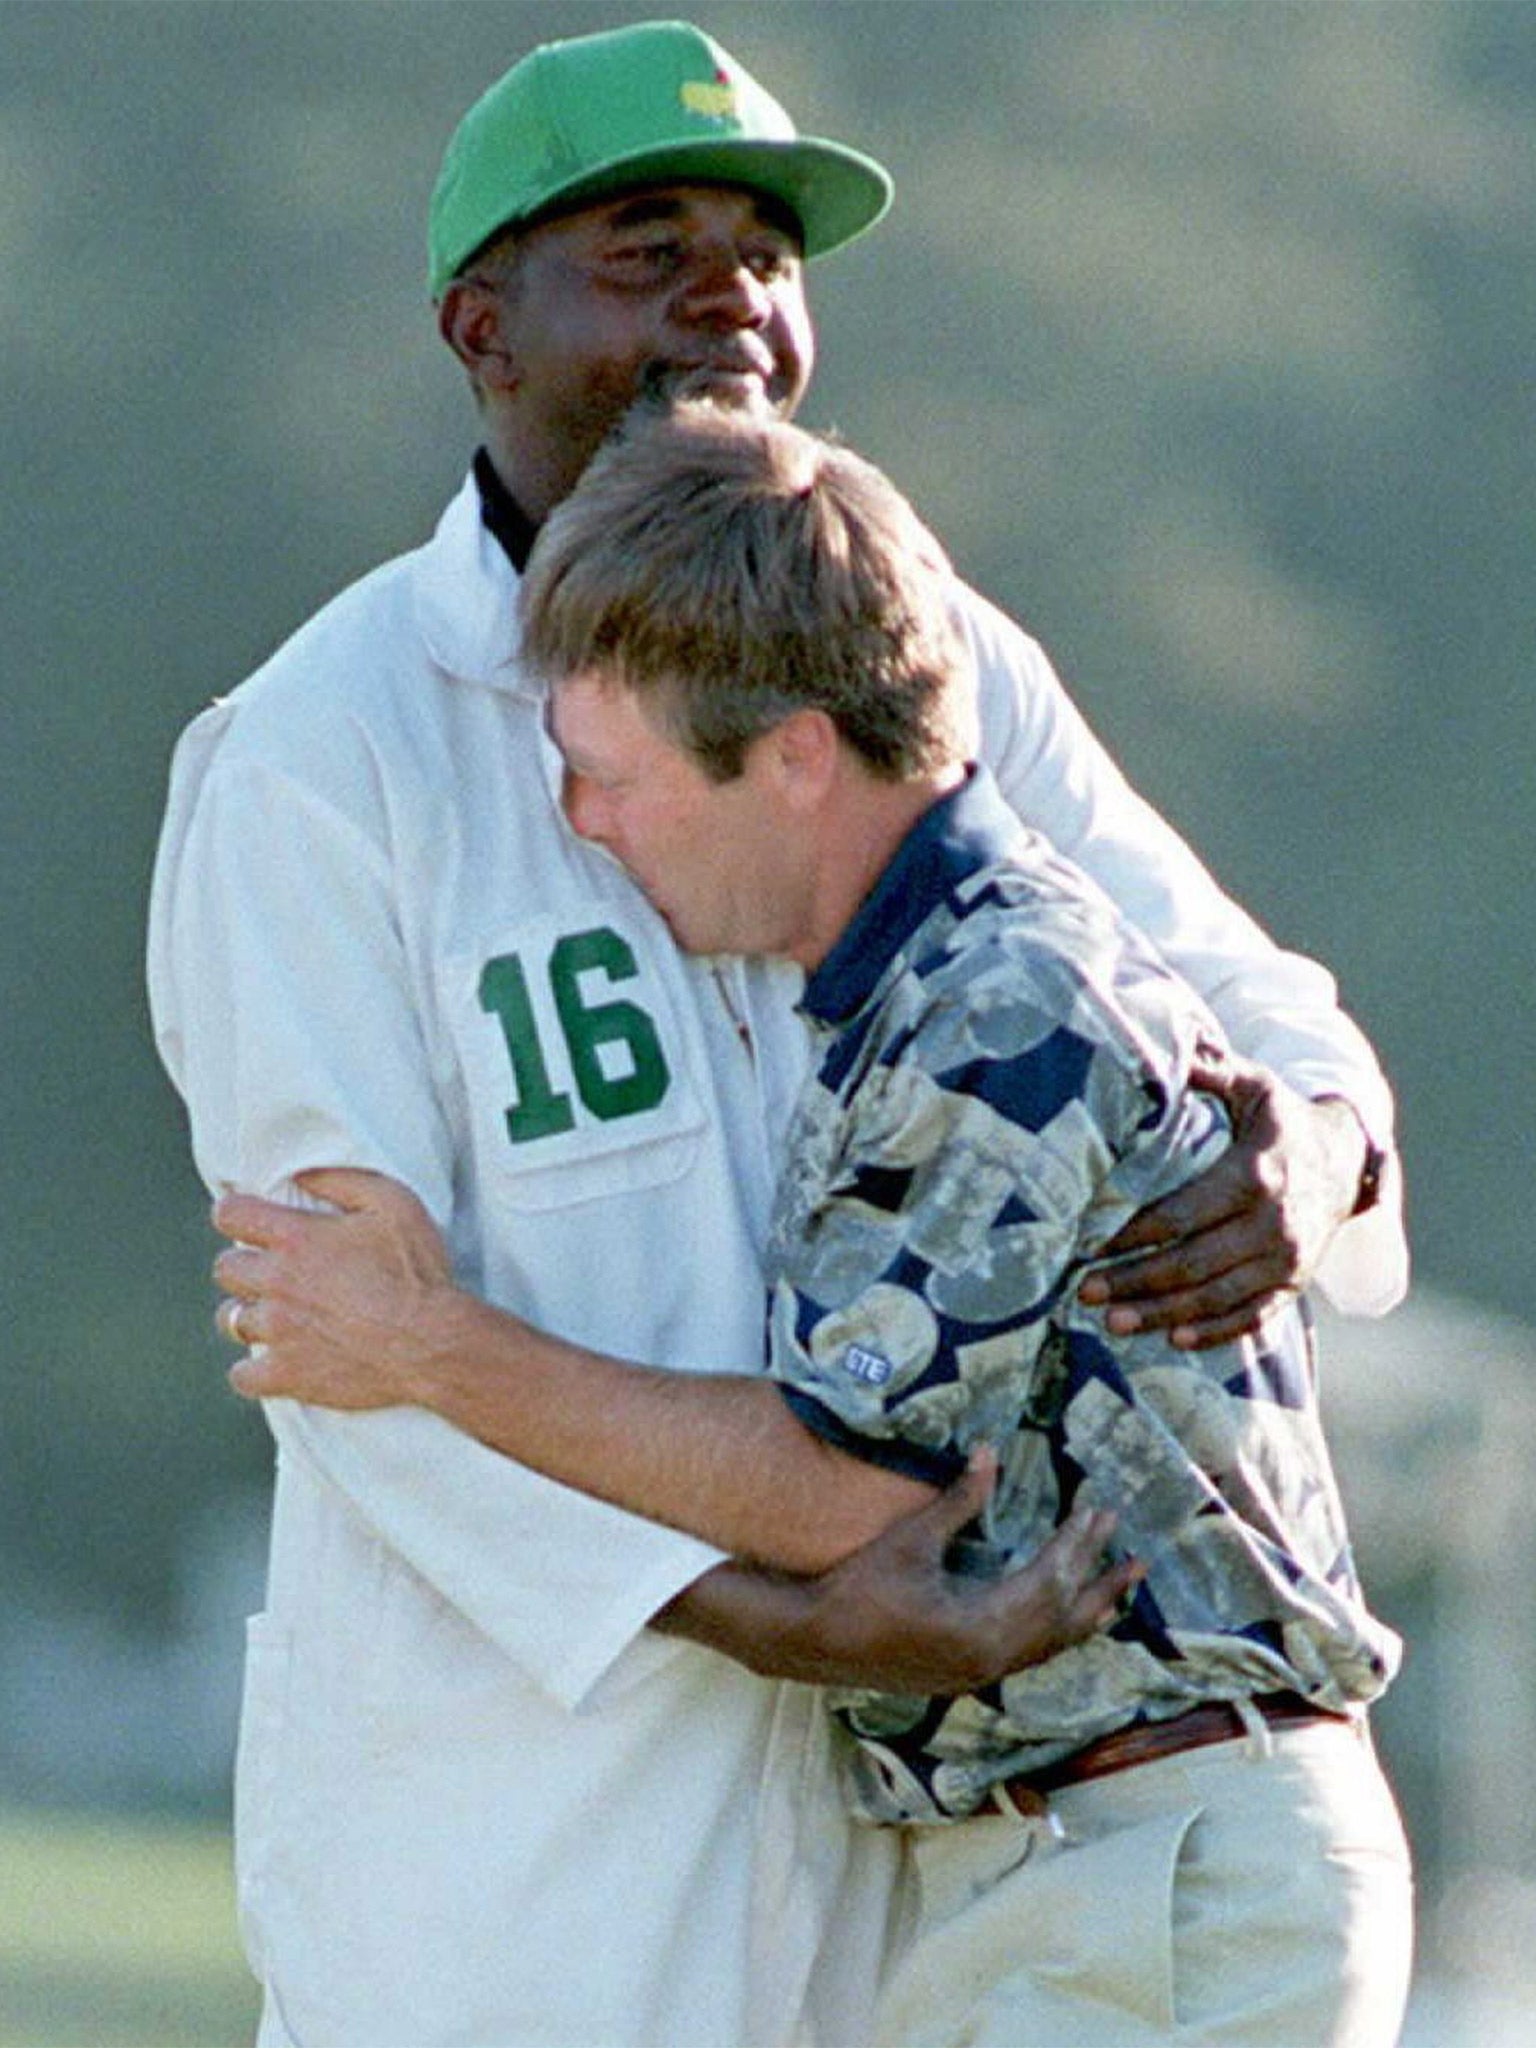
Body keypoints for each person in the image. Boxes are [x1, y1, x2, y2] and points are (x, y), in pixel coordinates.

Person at [149, 20, 1407, 2048]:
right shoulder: (323, 751)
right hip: (515, 1841)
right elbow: (343, 1359)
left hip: (927, 1832)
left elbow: (1254, 1001)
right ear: (485, 322)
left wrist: (1312, 1144)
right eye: (651, 245)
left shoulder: (900, 626)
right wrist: (780, 1618)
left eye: (767, 247)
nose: (732, 291)